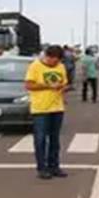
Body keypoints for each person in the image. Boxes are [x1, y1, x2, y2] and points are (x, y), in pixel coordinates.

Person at [25, 45, 69, 179]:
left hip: (57, 107)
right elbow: (29, 85)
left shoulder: (61, 66)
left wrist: (62, 88)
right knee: (41, 139)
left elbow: (64, 82)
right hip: (40, 108)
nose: (55, 63)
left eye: (57, 61)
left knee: (55, 139)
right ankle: (42, 168)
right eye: (53, 60)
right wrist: (48, 86)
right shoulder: (35, 66)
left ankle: (54, 166)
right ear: (47, 57)